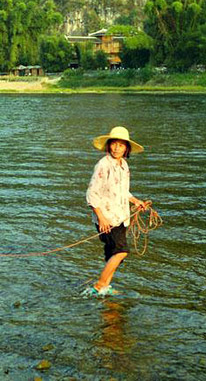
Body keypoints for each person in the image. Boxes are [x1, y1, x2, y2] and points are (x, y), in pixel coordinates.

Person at [84, 126, 148, 296]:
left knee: (114, 254)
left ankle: (105, 286)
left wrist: (136, 201)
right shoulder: (102, 165)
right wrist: (101, 218)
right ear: (109, 145)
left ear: (126, 148)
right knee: (121, 251)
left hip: (121, 217)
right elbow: (92, 193)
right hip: (107, 219)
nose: (117, 148)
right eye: (114, 144)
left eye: (121, 145)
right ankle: (99, 286)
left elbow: (122, 191)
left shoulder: (124, 165)